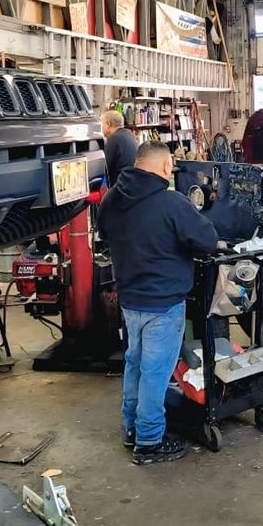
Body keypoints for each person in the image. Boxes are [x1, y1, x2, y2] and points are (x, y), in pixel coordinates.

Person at [96, 141, 219, 465]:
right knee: (155, 373)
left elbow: (104, 234)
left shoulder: (111, 199)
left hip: (130, 299)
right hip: (163, 303)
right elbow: (207, 241)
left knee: (135, 365)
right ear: (166, 166)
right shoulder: (171, 202)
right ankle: (149, 441)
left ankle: (132, 429)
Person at [101, 109, 137, 187]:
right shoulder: (129, 134)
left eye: (102, 125)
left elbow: (103, 168)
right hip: (132, 183)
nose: (102, 128)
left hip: (120, 187)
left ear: (108, 124)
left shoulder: (113, 139)